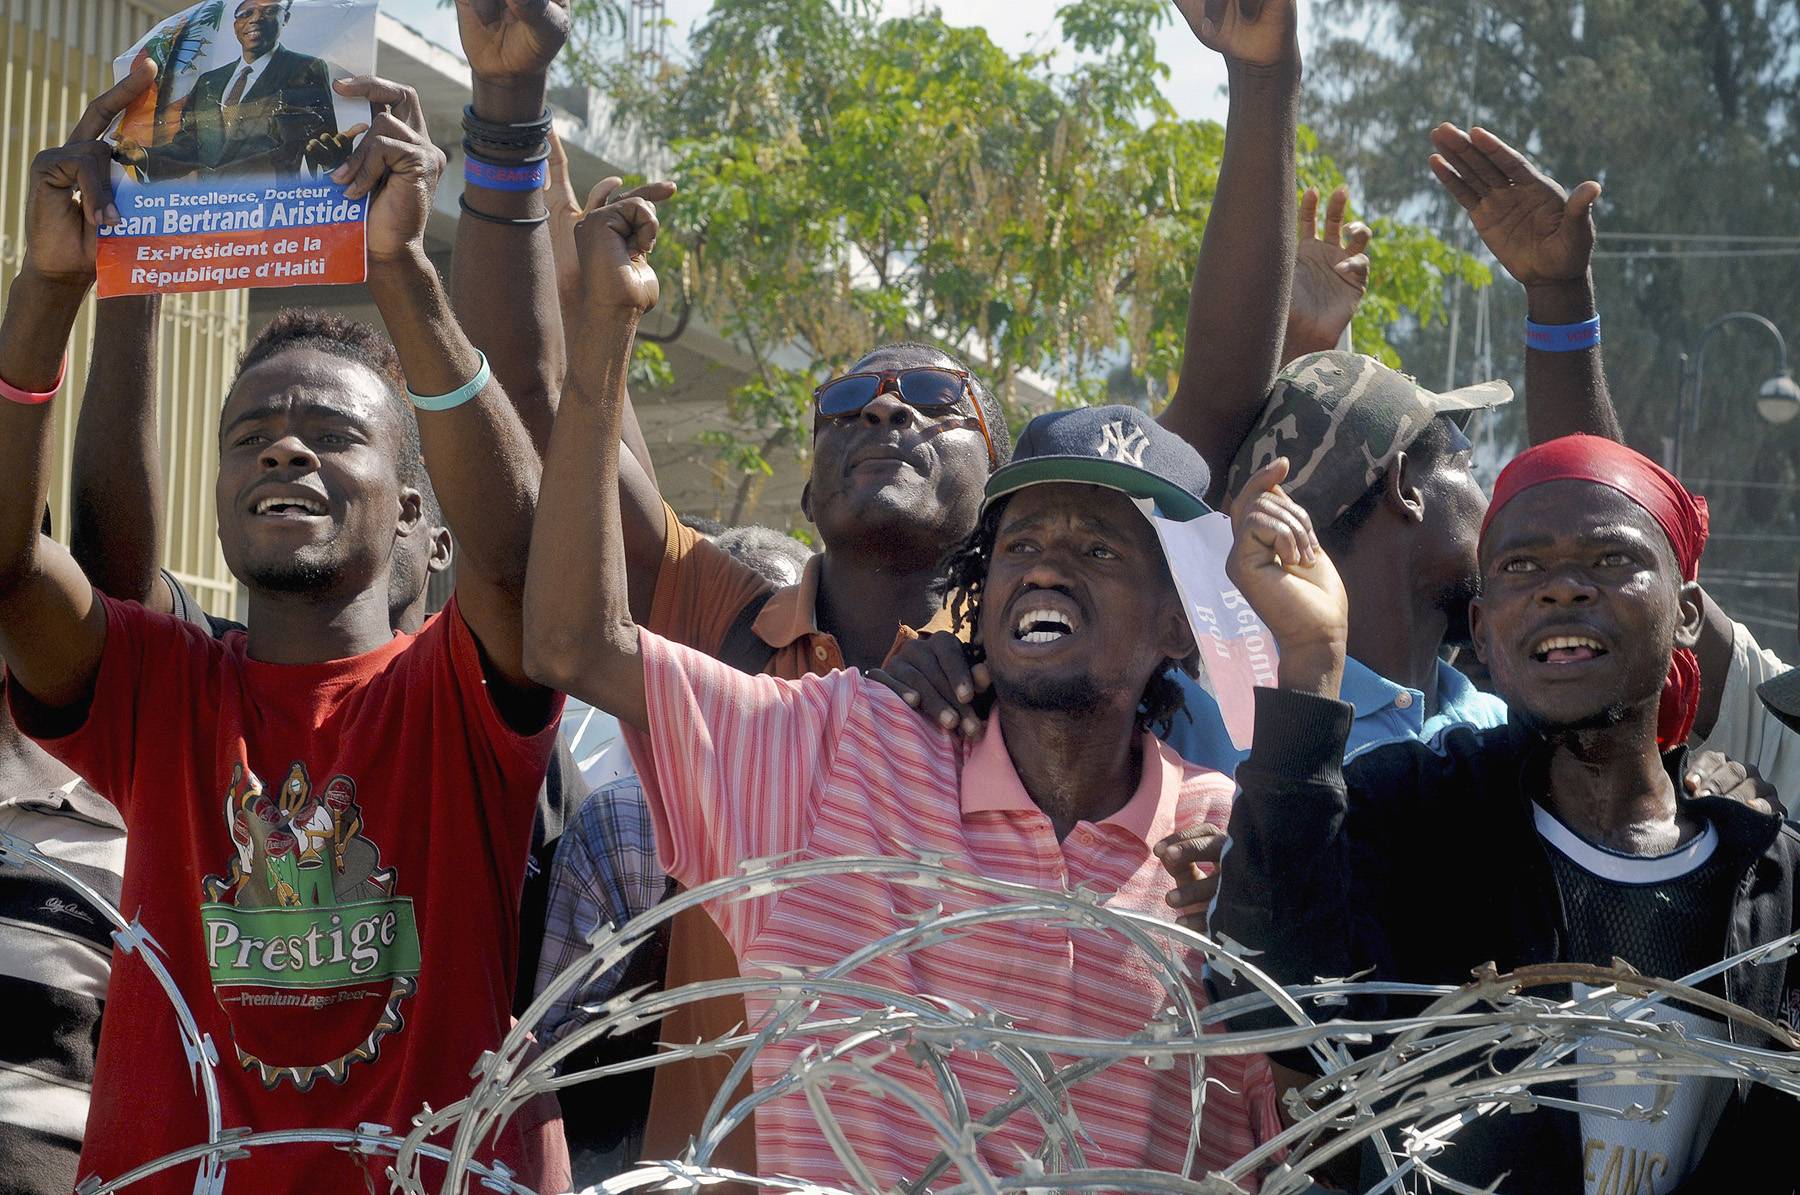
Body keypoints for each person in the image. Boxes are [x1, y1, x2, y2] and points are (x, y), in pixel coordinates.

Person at [460, 0, 1309, 1170]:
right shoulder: (744, 652)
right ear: (805, 496)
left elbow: (1207, 409)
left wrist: (1262, 80)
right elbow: (553, 425)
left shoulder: (1093, 713)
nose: (886, 410)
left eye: (931, 396)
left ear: (998, 477)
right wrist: (509, 129)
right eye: (843, 408)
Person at [0, 62, 561, 1195]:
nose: (286, 447)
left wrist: (401, 267)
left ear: (411, 507)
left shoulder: (460, 694)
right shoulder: (165, 694)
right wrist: (52, 285)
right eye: (252, 431)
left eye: (330, 433)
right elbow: (7, 566)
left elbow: (511, 560)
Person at [1207, 435, 1800, 1192]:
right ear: (1483, 627)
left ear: (1686, 615)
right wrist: (1312, 658)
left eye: (1611, 559)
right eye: (1522, 567)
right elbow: (1270, 994)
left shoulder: (1768, 880)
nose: (1563, 588)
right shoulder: (1413, 815)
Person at [116, 0, 351, 182]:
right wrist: (145, 157)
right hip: (212, 218)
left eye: (269, 11)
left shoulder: (305, 68)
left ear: (285, 18)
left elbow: (321, 140)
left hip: (273, 215)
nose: (256, 19)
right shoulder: (210, 81)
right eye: (246, 13)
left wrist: (332, 162)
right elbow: (189, 148)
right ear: (235, 25)